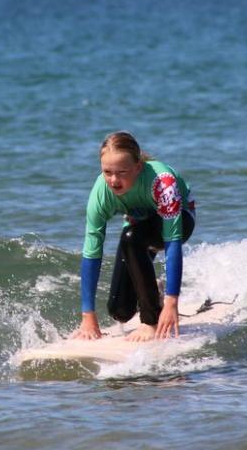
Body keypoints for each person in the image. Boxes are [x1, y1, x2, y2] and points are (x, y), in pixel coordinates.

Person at [71, 131, 196, 342]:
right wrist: (88, 316)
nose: (113, 180)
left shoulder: (162, 182)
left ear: (138, 167)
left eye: (122, 172)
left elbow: (172, 243)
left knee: (131, 238)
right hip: (138, 225)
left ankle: (151, 320)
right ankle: (153, 291)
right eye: (107, 172)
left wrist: (171, 303)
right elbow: (92, 253)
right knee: (119, 311)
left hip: (180, 219)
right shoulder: (100, 193)